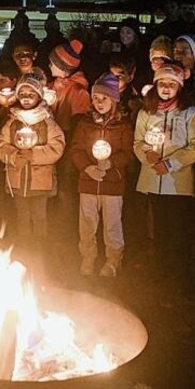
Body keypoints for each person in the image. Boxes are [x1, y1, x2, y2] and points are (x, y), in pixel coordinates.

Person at [133, 66, 195, 282]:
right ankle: (158, 272)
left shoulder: (190, 113)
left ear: (179, 87)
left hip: (178, 183)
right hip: (152, 179)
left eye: (172, 84)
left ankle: (177, 274)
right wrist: (148, 155)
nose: (166, 88)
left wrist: (172, 164)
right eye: (162, 83)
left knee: (177, 230)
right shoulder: (146, 112)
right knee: (157, 228)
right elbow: (138, 142)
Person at [0, 71, 65, 254]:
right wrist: (15, 156)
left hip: (40, 182)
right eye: (23, 95)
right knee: (22, 217)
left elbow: (57, 148)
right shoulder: (12, 122)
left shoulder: (47, 122)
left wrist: (33, 155)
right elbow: (1, 147)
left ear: (39, 96)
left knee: (39, 217)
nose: (26, 98)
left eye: (31, 94)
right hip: (18, 181)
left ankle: (39, 251)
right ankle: (25, 251)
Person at [69, 73, 132, 277]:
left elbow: (128, 152)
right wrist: (87, 168)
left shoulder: (122, 125)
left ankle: (113, 260)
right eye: (96, 98)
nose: (99, 102)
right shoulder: (85, 124)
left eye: (104, 98)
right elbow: (76, 149)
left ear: (113, 100)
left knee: (112, 224)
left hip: (112, 183)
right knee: (87, 223)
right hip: (88, 183)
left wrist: (111, 163)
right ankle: (88, 257)